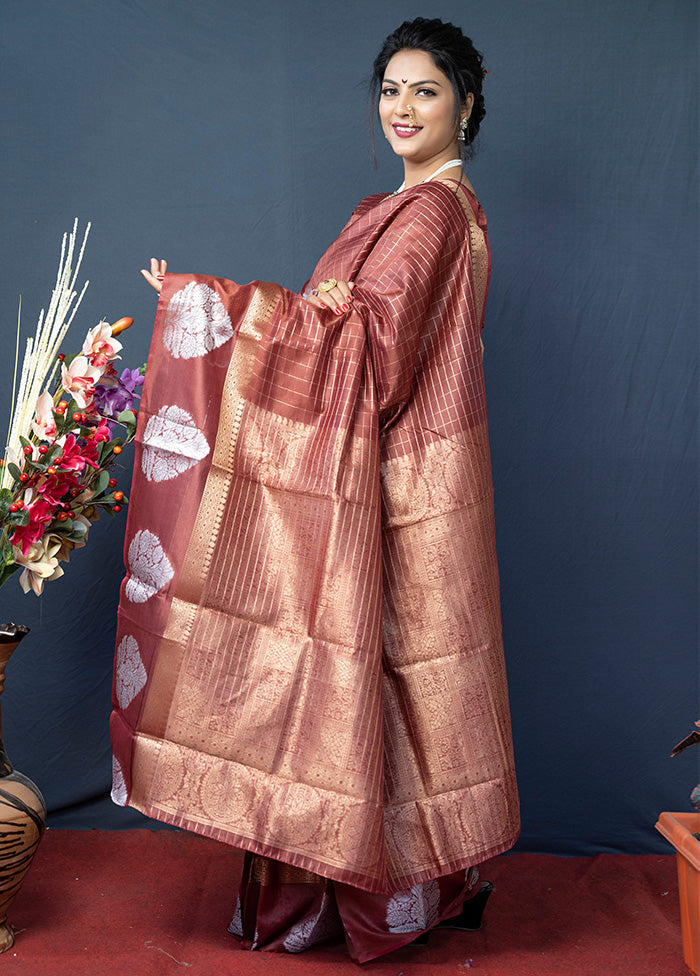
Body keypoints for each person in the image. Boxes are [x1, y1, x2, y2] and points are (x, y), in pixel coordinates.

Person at [110, 17, 519, 964]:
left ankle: (361, 900)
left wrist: (210, 308)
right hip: (396, 481)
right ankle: (399, 892)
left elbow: (370, 352)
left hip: (396, 487)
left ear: (466, 102)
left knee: (370, 677)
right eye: (390, 90)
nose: (402, 108)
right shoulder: (405, 207)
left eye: (425, 90)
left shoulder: (431, 215)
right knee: (385, 681)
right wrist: (301, 313)